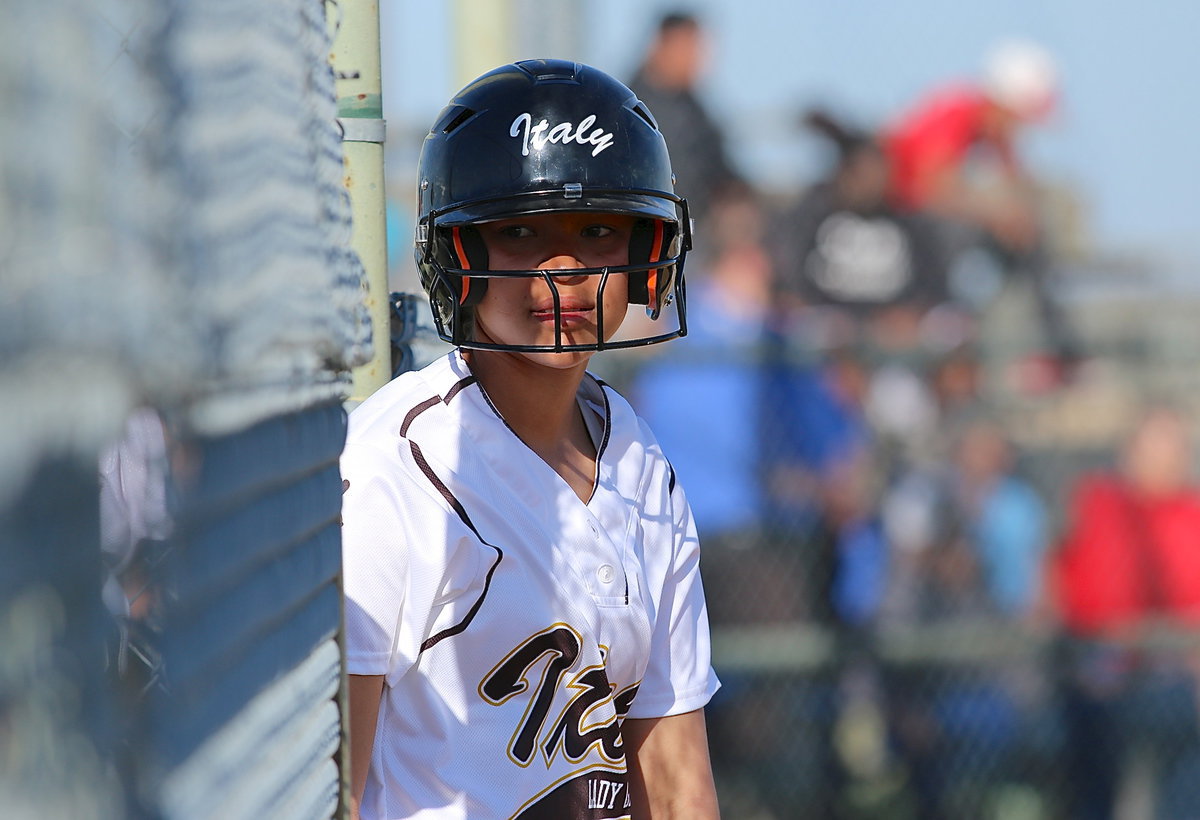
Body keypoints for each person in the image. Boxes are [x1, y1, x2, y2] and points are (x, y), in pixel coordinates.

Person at [339, 60, 721, 820]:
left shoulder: (641, 462)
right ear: (458, 256)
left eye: (599, 229)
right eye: (519, 231)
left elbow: (676, 782)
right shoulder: (393, 469)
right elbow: (335, 790)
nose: (565, 270)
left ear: (647, 252)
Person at [882, 38, 1081, 374]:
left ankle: (1060, 353)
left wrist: (1016, 214)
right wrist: (998, 215)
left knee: (1029, 237)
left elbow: (1017, 188)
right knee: (958, 235)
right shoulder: (955, 111)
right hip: (902, 224)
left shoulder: (989, 127)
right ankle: (944, 324)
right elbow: (935, 190)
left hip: (925, 223)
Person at [1052, 406, 1200, 819]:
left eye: (1178, 444)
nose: (1174, 455)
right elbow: (1055, 586)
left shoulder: (1192, 514)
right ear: (1131, 451)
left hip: (1175, 680)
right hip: (1097, 675)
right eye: (1159, 443)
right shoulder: (1097, 503)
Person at [627, 11, 747, 229]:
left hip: (696, 229)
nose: (696, 60)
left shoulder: (696, 110)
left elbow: (723, 170)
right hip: (647, 224)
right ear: (662, 46)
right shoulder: (627, 106)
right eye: (688, 49)